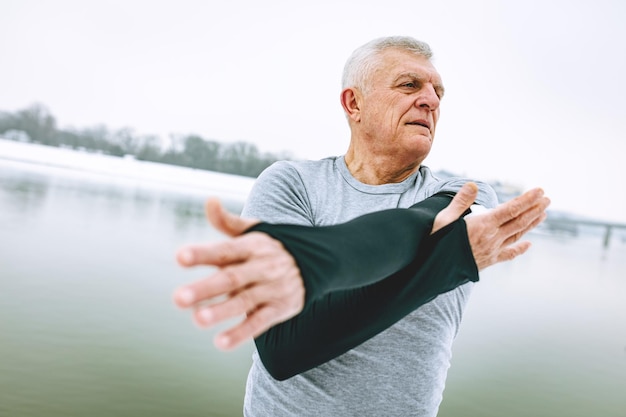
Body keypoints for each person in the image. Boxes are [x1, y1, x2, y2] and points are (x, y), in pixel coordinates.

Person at [173, 36, 550, 416]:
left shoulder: (465, 195)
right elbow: (284, 350)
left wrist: (314, 264)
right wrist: (443, 260)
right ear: (354, 103)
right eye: (409, 85)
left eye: (438, 92)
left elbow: (416, 222)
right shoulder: (292, 184)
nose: (431, 101)